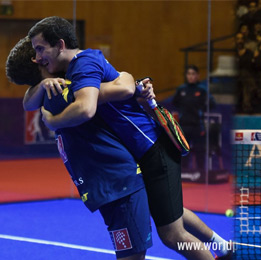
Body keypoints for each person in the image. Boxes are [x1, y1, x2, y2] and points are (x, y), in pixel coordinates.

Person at [27, 16, 231, 260]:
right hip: (139, 154)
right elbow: (30, 101)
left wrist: (52, 121)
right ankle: (223, 246)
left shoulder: (84, 63)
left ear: (60, 45)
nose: (38, 57)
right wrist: (44, 86)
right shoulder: (73, 69)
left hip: (153, 149)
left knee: (172, 234)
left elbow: (86, 108)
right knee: (168, 211)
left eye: (40, 49)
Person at [7, 36, 152, 260]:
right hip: (119, 183)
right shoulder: (67, 92)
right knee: (135, 254)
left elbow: (28, 101)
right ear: (40, 62)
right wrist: (130, 81)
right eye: (40, 52)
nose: (45, 55)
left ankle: (219, 245)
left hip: (106, 187)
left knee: (169, 225)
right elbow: (122, 86)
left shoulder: (46, 97)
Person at [172, 65, 216, 174]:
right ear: (186, 76)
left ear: (197, 76)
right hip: (184, 125)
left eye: (193, 74)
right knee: (184, 150)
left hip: (198, 125)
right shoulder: (181, 89)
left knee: (200, 150)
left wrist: (201, 110)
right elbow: (175, 103)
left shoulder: (202, 90)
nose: (191, 76)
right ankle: (184, 173)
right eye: (189, 74)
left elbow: (212, 103)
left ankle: (201, 173)